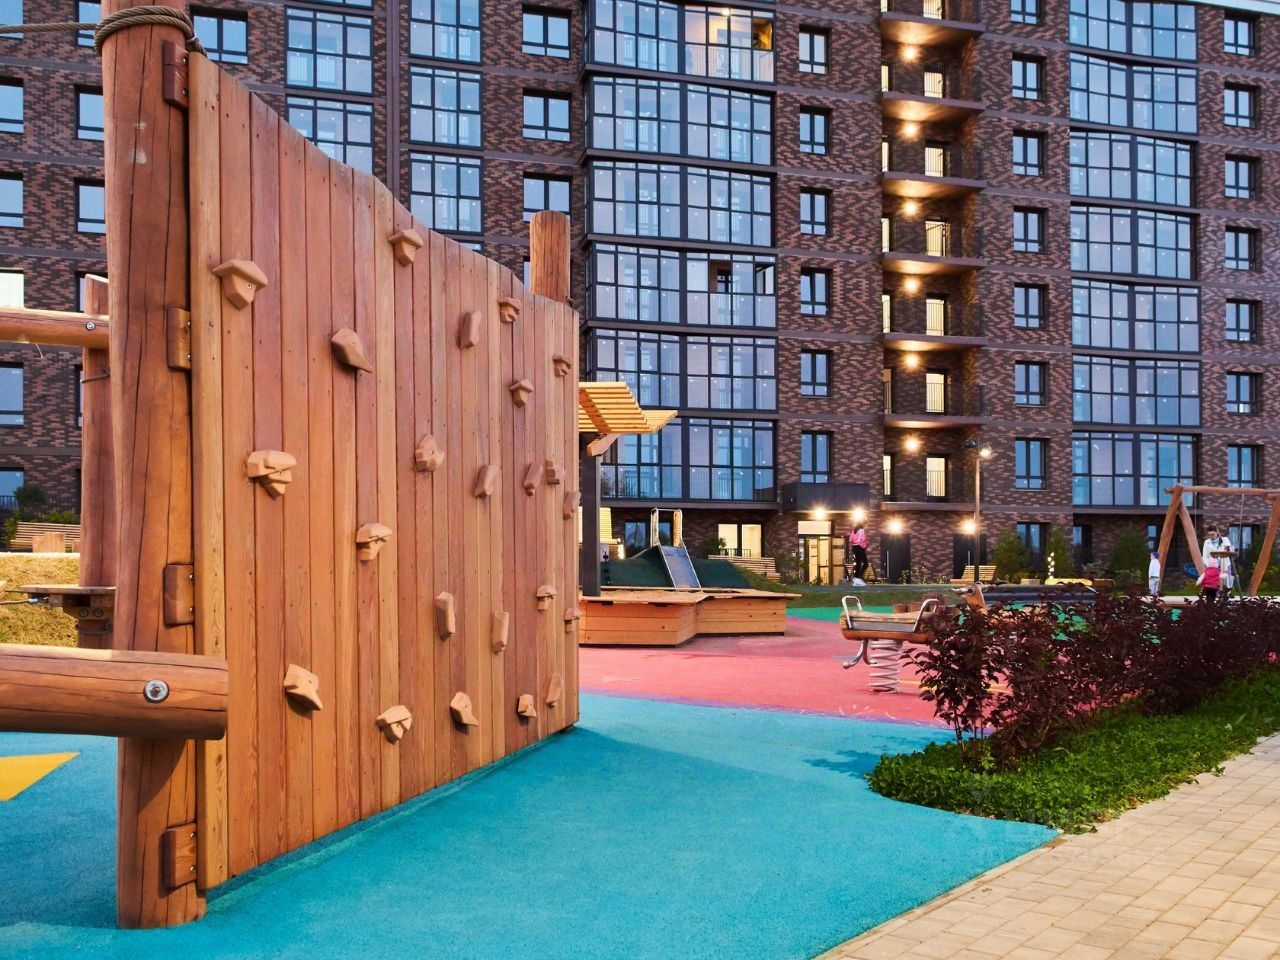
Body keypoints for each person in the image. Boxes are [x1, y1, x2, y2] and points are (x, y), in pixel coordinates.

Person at [1201, 527, 1235, 594]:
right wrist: (1209, 565)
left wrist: (1228, 549)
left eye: (1213, 534)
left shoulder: (1225, 540)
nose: (1211, 537)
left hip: (1225, 564)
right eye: (1209, 535)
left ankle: (1225, 596)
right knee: (1214, 583)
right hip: (1213, 566)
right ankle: (1214, 597)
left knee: (1226, 583)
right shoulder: (1207, 542)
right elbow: (1205, 556)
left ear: (1217, 532)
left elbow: (1229, 550)